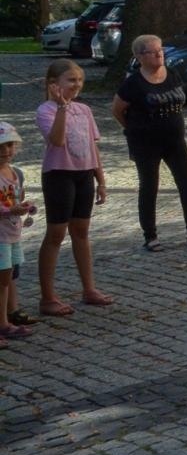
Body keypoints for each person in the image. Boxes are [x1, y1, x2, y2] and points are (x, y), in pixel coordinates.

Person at [113, 34, 187, 251]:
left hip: (175, 140)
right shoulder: (133, 83)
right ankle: (150, 235)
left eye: (160, 50)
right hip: (146, 142)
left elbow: (179, 98)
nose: (159, 55)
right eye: (153, 52)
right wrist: (133, 128)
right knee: (149, 187)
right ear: (139, 56)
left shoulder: (172, 74)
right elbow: (117, 110)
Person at [36, 59, 111, 316]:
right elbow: (56, 141)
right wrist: (61, 109)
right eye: (71, 80)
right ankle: (47, 297)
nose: (76, 85)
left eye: (79, 80)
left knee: (81, 231)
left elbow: (92, 146)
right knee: (56, 234)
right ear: (54, 84)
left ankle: (89, 289)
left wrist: (100, 180)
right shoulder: (45, 110)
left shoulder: (85, 110)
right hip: (59, 175)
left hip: (84, 175)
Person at [0, 122, 38, 346]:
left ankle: (4, 322)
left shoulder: (14, 173)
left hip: (11, 234)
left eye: (10, 145)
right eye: (1, 146)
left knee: (6, 279)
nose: (5, 151)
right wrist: (10, 210)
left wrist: (25, 206)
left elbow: (14, 199)